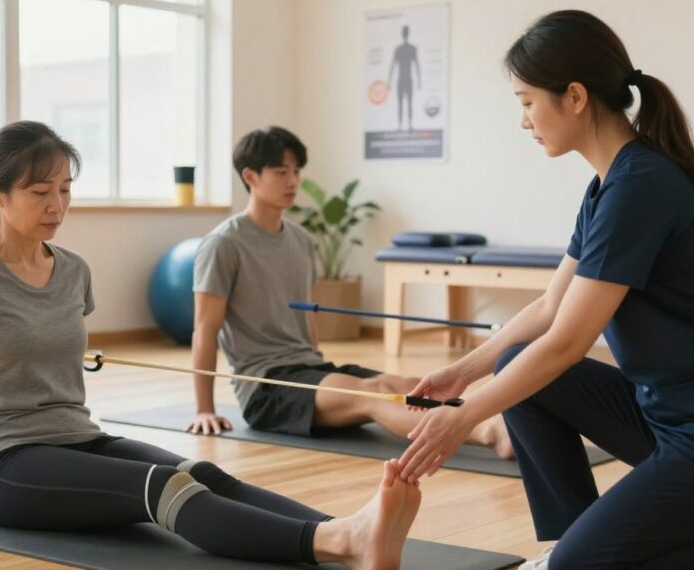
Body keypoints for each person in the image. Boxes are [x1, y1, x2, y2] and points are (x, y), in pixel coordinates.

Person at [0, 121, 421, 570]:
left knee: (202, 475)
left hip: (80, 436)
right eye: (40, 191)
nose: (57, 206)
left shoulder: (71, 270)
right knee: (160, 488)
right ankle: (338, 542)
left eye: (65, 189)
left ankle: (349, 525)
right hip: (4, 463)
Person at [399, 10, 694, 570]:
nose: (523, 120)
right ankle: (569, 544)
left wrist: (465, 416)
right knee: (520, 363)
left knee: (583, 557)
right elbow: (549, 309)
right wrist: (463, 373)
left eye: (526, 102)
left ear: (573, 96)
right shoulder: (607, 185)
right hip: (669, 419)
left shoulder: (640, 186)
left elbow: (569, 341)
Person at [188, 126, 513, 459]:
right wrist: (204, 409)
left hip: (309, 368)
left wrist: (322, 368)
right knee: (374, 396)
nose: (292, 181)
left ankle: (503, 420)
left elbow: (305, 320)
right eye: (280, 171)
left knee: (407, 385)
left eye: (297, 171)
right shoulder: (223, 244)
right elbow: (205, 329)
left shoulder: (300, 240)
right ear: (250, 176)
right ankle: (489, 433)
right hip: (267, 388)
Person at [388, 26, 421, 131]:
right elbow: (393, 66)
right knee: (403, 103)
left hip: (404, 79)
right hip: (404, 79)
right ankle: (402, 125)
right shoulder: (406, 49)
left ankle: (405, 125)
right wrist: (419, 80)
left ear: (403, 34)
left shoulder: (404, 49)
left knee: (405, 103)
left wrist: (419, 80)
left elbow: (417, 65)